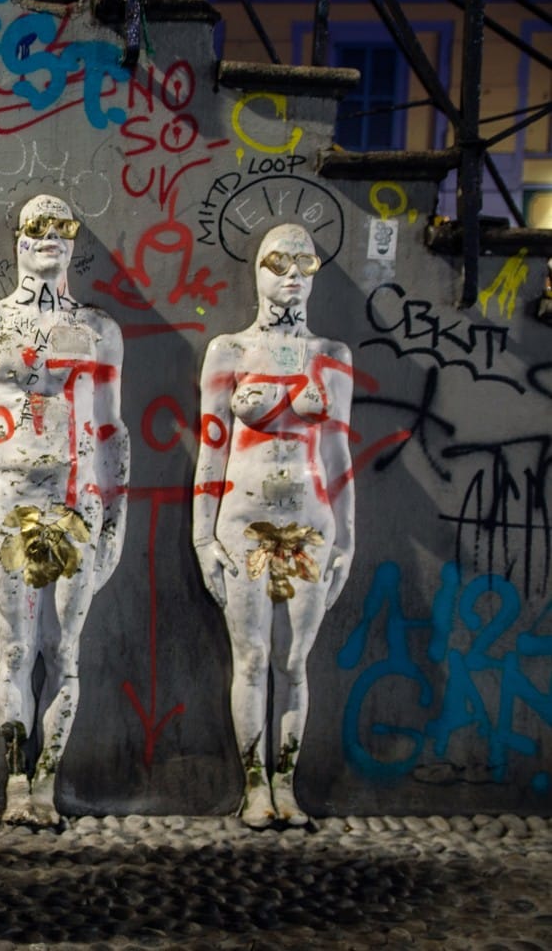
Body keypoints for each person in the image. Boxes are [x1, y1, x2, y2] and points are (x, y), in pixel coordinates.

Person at [0, 194, 129, 828]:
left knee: (68, 650)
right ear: (19, 239)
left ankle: (48, 779)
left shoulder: (99, 330)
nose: (50, 236)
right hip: (8, 501)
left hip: (76, 501)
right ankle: (16, 780)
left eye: (62, 227)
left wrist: (114, 524)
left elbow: (111, 432)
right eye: (38, 226)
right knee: (18, 649)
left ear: (74, 241)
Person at [191, 222, 355, 829]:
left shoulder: (331, 357)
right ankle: (254, 786)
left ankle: (287, 782)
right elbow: (212, 448)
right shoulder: (230, 351)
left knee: (295, 660)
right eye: (277, 263)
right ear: (257, 272)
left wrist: (349, 540)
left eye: (302, 265)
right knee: (253, 655)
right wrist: (202, 535)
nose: (290, 276)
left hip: (312, 522)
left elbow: (339, 456)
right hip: (244, 520)